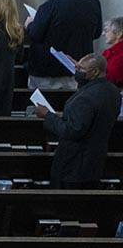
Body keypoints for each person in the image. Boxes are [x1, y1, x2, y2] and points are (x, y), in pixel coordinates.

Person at [35, 54, 122, 189]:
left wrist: (47, 116)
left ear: (94, 72)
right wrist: (64, 114)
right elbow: (93, 117)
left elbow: (71, 131)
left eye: (80, 69)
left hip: (74, 164)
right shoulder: (113, 91)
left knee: (66, 205)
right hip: (96, 161)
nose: (76, 71)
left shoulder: (86, 97)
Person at [26, 0, 103, 91]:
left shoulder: (48, 6)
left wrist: (30, 24)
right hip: (78, 68)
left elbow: (35, 35)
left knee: (45, 105)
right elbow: (97, 33)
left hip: (48, 69)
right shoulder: (94, 4)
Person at [103, 17, 123, 88]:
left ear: (119, 34)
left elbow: (111, 79)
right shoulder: (109, 52)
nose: (103, 34)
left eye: (107, 31)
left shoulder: (120, 56)